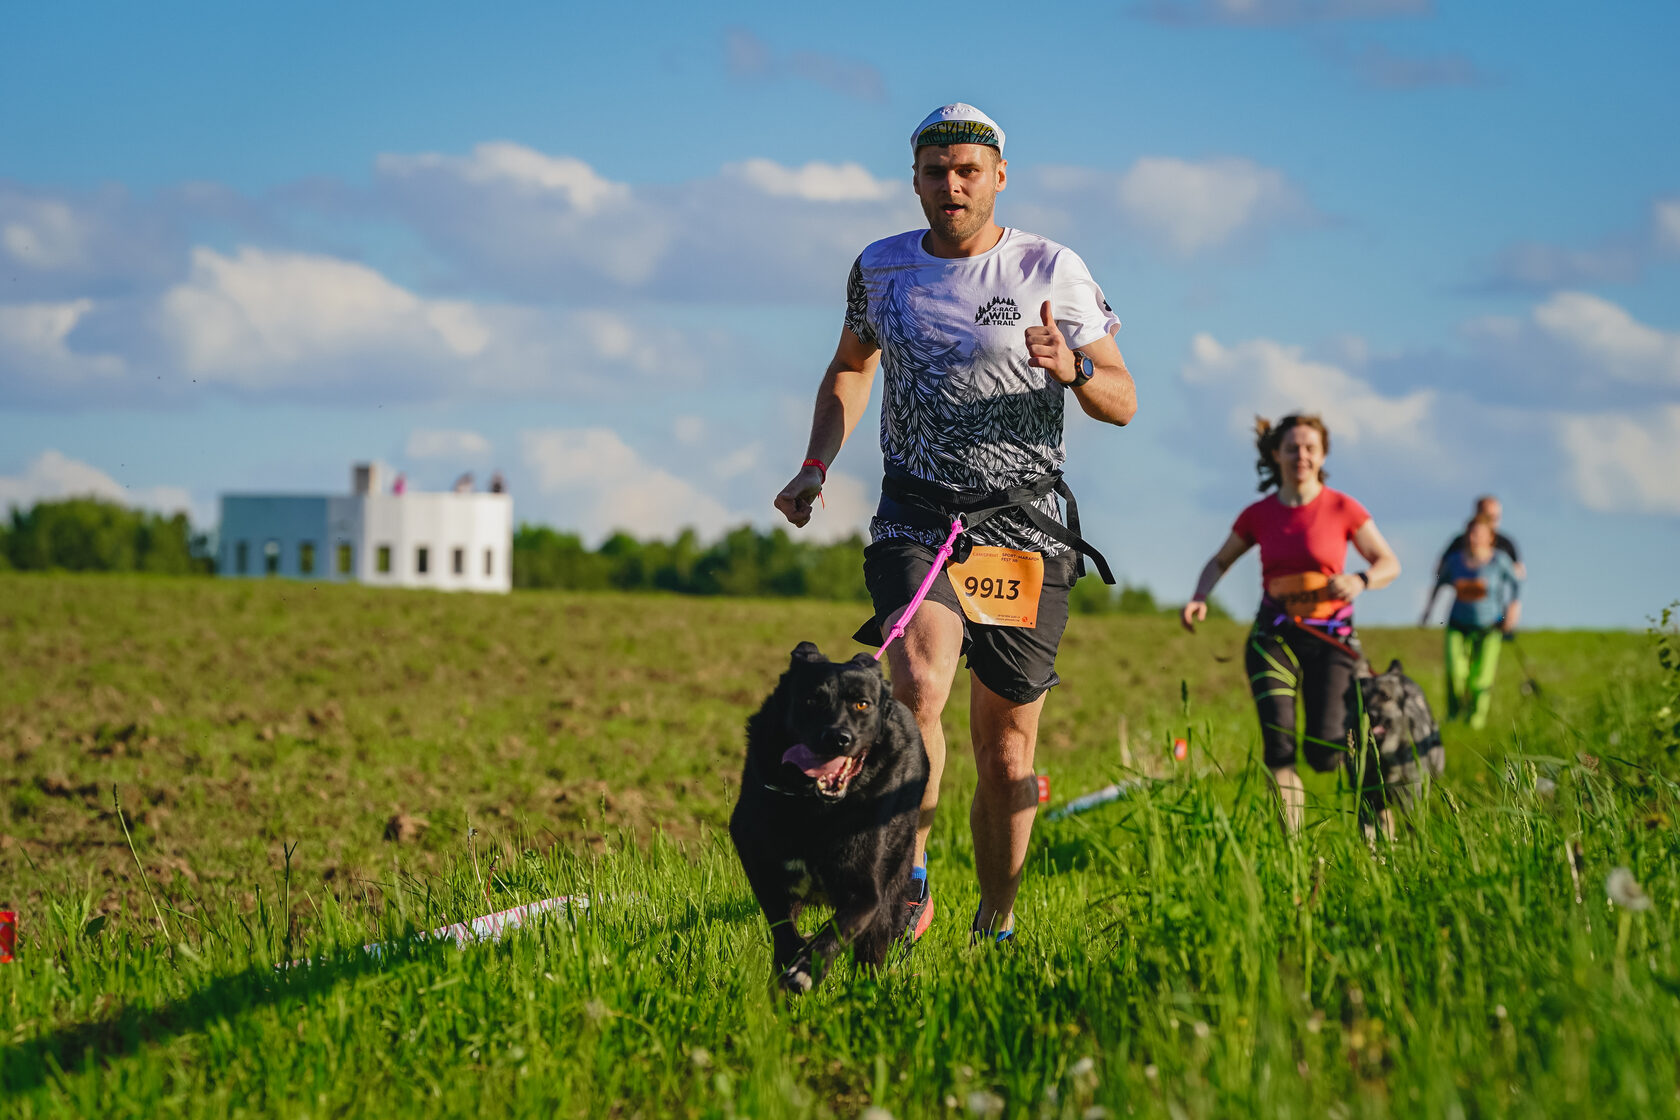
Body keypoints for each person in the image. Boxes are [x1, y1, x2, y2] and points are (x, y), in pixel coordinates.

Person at [773, 103, 1137, 944]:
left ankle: (996, 920)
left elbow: (1121, 398)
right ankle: (908, 882)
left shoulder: (1052, 267)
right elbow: (849, 369)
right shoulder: (881, 268)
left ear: (999, 177)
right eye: (936, 171)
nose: (952, 185)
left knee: (1007, 753)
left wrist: (1075, 366)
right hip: (918, 512)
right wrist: (816, 463)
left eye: (968, 171)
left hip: (1023, 529)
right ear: (915, 180)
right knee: (917, 685)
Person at [1180, 414, 1401, 832]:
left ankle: (1378, 822)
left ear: (1322, 455)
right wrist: (1199, 596)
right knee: (1279, 748)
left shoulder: (1342, 507)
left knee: (1326, 751)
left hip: (1329, 640)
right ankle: (1293, 854)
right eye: (1292, 447)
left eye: (1310, 448)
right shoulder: (1260, 514)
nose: (1301, 455)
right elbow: (1219, 560)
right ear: (1276, 455)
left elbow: (1390, 563)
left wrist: (1361, 579)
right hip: (1274, 637)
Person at [1421, 513, 1522, 728]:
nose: (1474, 537)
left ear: (1490, 537)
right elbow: (1439, 583)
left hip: (1490, 626)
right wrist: (1428, 611)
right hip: (1457, 624)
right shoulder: (1455, 561)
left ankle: (1475, 721)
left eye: (1479, 533)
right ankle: (1454, 714)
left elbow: (1517, 585)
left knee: (1481, 679)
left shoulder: (1499, 561)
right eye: (1471, 532)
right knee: (1456, 674)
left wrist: (1513, 612)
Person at [1433, 495, 1523, 584]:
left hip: (1497, 596)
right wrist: (1442, 579)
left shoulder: (1505, 545)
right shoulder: (1460, 542)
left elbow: (1520, 574)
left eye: (1497, 517)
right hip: (1464, 595)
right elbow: (1438, 571)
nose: (1494, 521)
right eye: (1489, 517)